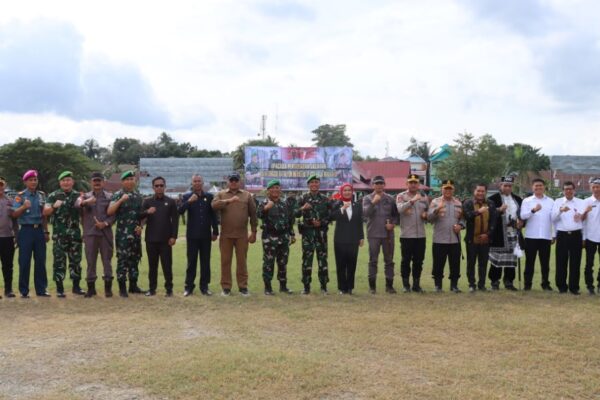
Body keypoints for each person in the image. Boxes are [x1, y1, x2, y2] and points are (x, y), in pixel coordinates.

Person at [211, 172, 258, 296]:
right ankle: (226, 287)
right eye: (231, 180)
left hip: (242, 235)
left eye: (236, 180)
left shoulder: (247, 195)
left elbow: (253, 214)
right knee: (225, 262)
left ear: (239, 182)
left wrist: (254, 231)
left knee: (242, 262)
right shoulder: (221, 194)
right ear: (228, 182)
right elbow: (214, 206)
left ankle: (243, 287)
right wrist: (229, 201)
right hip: (226, 235)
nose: (233, 182)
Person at [43, 171, 85, 297]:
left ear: (72, 182)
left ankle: (76, 287)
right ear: (60, 182)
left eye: (68, 180)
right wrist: (54, 206)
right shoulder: (53, 195)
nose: (66, 183)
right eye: (63, 180)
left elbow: (83, 215)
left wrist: (84, 231)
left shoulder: (78, 195)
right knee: (59, 261)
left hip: (75, 234)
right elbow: (45, 212)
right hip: (59, 235)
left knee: (76, 261)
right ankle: (60, 289)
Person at [75, 172, 115, 297]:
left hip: (105, 233)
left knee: (107, 261)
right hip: (90, 234)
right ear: (90, 182)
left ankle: (108, 288)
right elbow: (77, 205)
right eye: (94, 181)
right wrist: (86, 202)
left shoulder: (110, 197)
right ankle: (91, 288)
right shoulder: (84, 196)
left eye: (99, 181)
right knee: (90, 261)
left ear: (103, 182)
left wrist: (105, 223)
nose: (97, 183)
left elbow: (114, 215)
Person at [12, 170, 50, 298]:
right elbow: (14, 214)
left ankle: (41, 289)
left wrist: (46, 231)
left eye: (35, 180)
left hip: (39, 230)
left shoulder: (41, 195)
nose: (33, 182)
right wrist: (23, 207)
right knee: (24, 261)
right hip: (26, 231)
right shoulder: (20, 196)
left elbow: (44, 216)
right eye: (31, 180)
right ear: (25, 182)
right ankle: (24, 290)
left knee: (40, 261)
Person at [179, 175, 219, 296]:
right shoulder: (187, 196)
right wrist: (189, 202)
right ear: (192, 183)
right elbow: (180, 211)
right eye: (195, 181)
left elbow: (213, 215)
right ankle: (189, 287)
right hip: (192, 235)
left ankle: (204, 287)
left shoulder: (209, 197)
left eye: (199, 181)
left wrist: (215, 231)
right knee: (191, 262)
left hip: (206, 235)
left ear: (203, 183)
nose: (197, 183)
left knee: (205, 262)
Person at [107, 170, 145, 297]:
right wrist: (120, 201)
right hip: (122, 234)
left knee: (135, 259)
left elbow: (142, 215)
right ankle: (122, 288)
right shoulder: (118, 195)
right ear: (122, 182)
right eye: (127, 179)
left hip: (135, 234)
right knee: (123, 260)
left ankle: (133, 286)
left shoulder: (138, 196)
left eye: (132, 179)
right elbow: (110, 211)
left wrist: (141, 226)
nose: (130, 181)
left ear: (135, 181)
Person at [257, 179, 296, 295]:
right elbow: (258, 214)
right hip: (269, 238)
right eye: (272, 188)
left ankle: (283, 286)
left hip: (283, 238)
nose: (275, 190)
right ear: (268, 191)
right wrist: (266, 208)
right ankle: (268, 288)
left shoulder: (285, 204)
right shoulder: (264, 203)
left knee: (283, 262)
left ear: (280, 190)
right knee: (268, 263)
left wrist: (292, 234)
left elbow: (290, 221)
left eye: (277, 188)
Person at [296, 175, 332, 294]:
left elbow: (331, 216)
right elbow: (294, 214)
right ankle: (306, 287)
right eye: (312, 182)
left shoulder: (325, 199)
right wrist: (302, 208)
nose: (314, 184)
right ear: (308, 185)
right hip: (308, 235)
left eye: (316, 182)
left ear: (319, 184)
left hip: (321, 235)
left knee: (323, 260)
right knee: (307, 260)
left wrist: (322, 222)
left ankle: (324, 286)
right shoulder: (303, 198)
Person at [142, 176, 178, 297]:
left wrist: (174, 236)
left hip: (166, 240)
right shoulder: (147, 201)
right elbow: (139, 216)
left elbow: (175, 220)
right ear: (153, 187)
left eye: (161, 185)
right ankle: (152, 289)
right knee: (152, 266)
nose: (159, 187)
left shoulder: (171, 202)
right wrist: (147, 212)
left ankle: (169, 289)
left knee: (167, 266)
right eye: (156, 186)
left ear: (165, 187)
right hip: (151, 239)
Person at [363, 175, 399, 294]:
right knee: (373, 260)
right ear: (372, 185)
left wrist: (393, 224)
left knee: (389, 260)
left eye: (381, 183)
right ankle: (372, 287)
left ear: (384, 185)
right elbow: (366, 214)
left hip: (387, 235)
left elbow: (396, 215)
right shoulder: (367, 198)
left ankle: (389, 286)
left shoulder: (390, 199)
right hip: (373, 234)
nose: (379, 186)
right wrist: (373, 202)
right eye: (376, 183)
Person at [487, 176, 523, 291]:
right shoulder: (492, 199)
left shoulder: (518, 199)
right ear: (500, 186)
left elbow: (522, 215)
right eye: (505, 185)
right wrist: (499, 210)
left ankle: (509, 281)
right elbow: (488, 215)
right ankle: (494, 281)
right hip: (499, 233)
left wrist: (521, 222)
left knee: (511, 258)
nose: (507, 188)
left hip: (513, 232)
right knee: (497, 258)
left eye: (510, 186)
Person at [428, 179, 464, 293]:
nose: (448, 191)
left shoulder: (458, 203)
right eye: (446, 189)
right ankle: (438, 286)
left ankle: (454, 286)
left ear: (453, 190)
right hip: (439, 239)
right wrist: (436, 210)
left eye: (450, 189)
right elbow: (429, 218)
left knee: (455, 264)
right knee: (438, 264)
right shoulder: (435, 202)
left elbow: (463, 218)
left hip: (454, 239)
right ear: (441, 189)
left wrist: (461, 226)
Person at [396, 174, 429, 293]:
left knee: (418, 261)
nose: (413, 185)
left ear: (419, 184)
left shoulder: (424, 197)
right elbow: (399, 209)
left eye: (415, 182)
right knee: (405, 261)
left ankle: (416, 285)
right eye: (411, 182)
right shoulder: (401, 196)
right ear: (407, 184)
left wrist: (426, 215)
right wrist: (412, 201)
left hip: (420, 235)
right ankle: (406, 285)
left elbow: (427, 211)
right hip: (407, 235)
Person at [520, 178, 555, 291]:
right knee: (529, 262)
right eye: (536, 186)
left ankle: (545, 283)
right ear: (532, 187)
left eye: (540, 185)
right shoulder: (527, 201)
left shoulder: (551, 201)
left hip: (545, 236)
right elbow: (523, 216)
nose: (538, 187)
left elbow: (553, 219)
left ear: (544, 187)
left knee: (545, 263)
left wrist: (553, 235)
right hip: (531, 236)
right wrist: (533, 210)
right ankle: (527, 284)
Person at [551, 181, 585, 295]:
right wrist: (560, 211)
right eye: (566, 189)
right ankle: (561, 287)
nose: (568, 191)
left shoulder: (580, 202)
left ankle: (574, 287)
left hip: (576, 234)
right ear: (563, 191)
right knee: (561, 261)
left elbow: (584, 219)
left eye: (570, 189)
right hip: (562, 234)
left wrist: (580, 217)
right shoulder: (558, 201)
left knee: (575, 262)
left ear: (574, 190)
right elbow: (553, 218)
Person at [463, 183, 497, 292]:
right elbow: (467, 216)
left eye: (482, 191)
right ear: (474, 191)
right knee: (471, 263)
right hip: (471, 239)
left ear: (485, 192)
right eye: (478, 191)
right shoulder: (468, 203)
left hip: (485, 239)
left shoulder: (490, 203)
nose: (480, 193)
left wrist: (488, 234)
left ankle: (481, 285)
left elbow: (494, 221)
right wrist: (478, 212)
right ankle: (471, 284)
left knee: (483, 263)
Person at [332, 183, 364, 294]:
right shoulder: (337, 204)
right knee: (340, 265)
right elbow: (331, 216)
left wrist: (361, 237)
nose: (347, 192)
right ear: (341, 192)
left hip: (353, 240)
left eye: (349, 190)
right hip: (340, 240)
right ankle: (342, 288)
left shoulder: (357, 205)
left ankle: (350, 287)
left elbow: (359, 222)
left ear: (352, 192)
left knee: (352, 264)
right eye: (345, 190)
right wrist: (342, 209)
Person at [0, 176, 18, 298]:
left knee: (8, 265)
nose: (0, 187)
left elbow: (15, 219)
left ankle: (8, 289)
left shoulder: (10, 201)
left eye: (2, 185)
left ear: (5, 186)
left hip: (7, 237)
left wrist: (16, 234)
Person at [583, 178, 600, 295]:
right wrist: (585, 212)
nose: (596, 189)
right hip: (590, 237)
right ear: (590, 188)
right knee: (589, 263)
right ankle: (590, 286)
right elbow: (582, 220)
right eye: (593, 187)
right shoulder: (586, 201)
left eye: (598, 187)